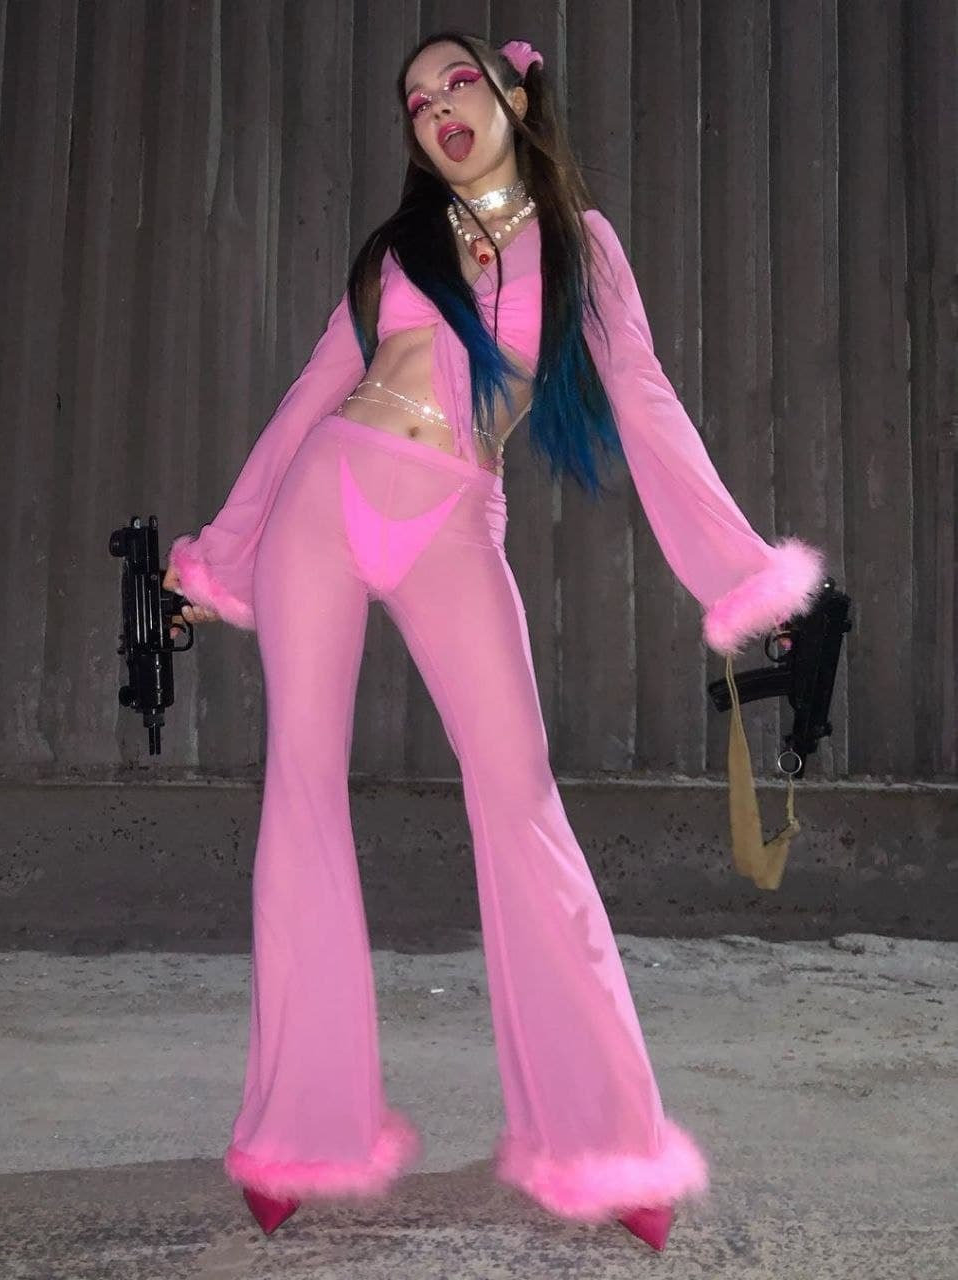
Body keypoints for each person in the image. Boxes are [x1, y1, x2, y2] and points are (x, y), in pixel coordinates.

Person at [163, 31, 826, 1251]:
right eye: (417, 100)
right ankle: (299, 1126)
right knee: (301, 791)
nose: (437, 108)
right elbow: (308, 394)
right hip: (325, 496)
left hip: (454, 514)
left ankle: (605, 1136)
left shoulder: (581, 244)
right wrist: (225, 549)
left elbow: (647, 399)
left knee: (520, 800)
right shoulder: (396, 251)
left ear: (516, 94)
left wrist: (740, 571)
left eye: (458, 81)